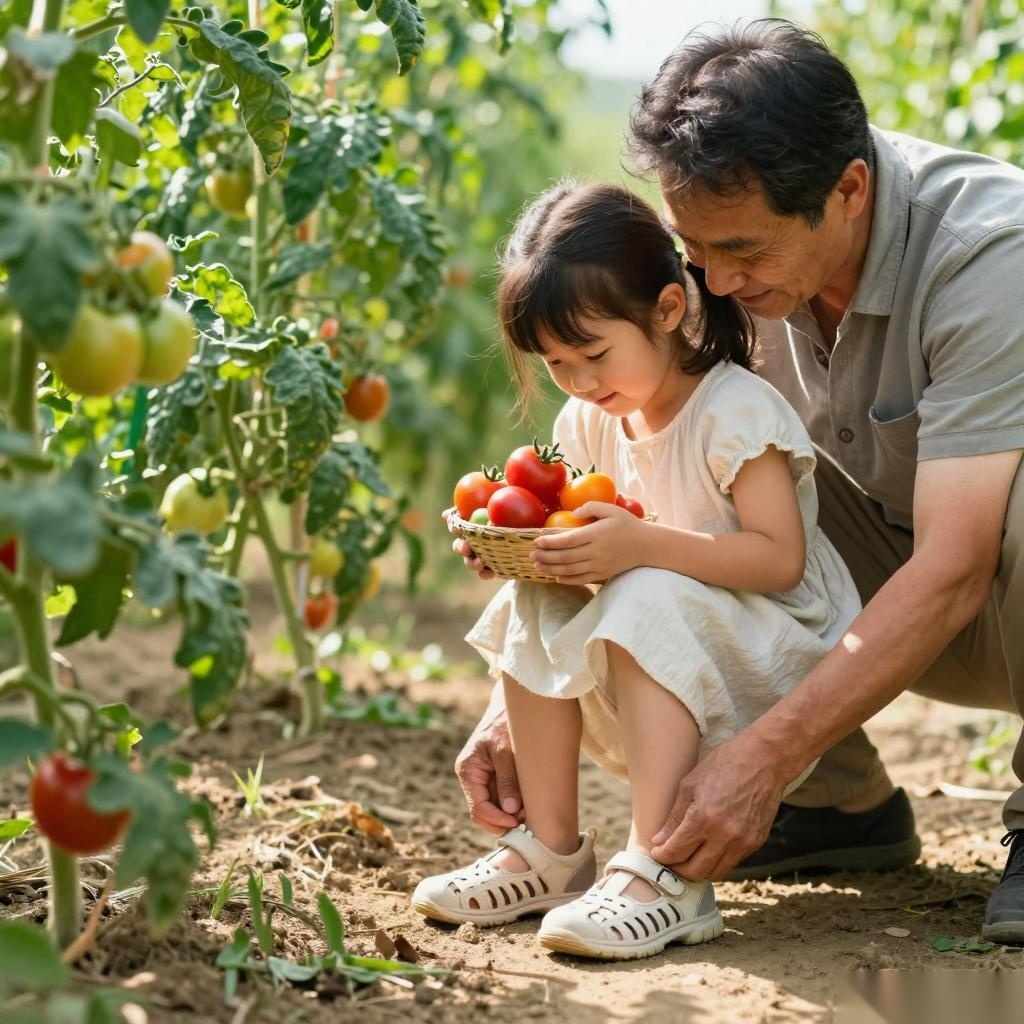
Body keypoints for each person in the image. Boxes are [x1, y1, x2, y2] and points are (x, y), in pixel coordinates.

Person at [457, 19, 1024, 945]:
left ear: (849, 191)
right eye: (695, 247)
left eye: (744, 252)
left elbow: (958, 565)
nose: (712, 279)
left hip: (994, 589)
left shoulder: (990, 257)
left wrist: (763, 756)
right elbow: (655, 503)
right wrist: (516, 700)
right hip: (893, 572)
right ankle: (838, 807)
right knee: (717, 469)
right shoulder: (725, 266)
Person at [412, 180, 863, 961]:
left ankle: (664, 870)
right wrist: (535, 554)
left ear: (667, 309)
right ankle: (548, 851)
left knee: (647, 586)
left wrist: (638, 548)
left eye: (593, 353)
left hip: (773, 653)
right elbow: (592, 559)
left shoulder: (736, 411)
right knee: (541, 590)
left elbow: (780, 560)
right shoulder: (588, 421)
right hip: (662, 652)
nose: (582, 381)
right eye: (556, 363)